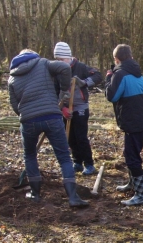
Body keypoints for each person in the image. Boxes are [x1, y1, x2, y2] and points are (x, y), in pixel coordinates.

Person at [7, 49, 88, 207]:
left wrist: (26, 111)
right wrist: (64, 90)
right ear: (33, 56)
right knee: (64, 156)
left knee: (30, 155)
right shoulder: (43, 63)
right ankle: (72, 197)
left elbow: (14, 106)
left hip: (28, 120)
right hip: (51, 116)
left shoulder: (12, 78)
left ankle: (35, 194)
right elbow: (65, 68)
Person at [104, 44, 143, 206]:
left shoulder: (120, 74)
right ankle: (133, 184)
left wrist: (108, 78)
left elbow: (112, 96)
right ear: (130, 56)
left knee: (132, 158)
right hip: (140, 119)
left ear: (116, 60)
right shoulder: (138, 73)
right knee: (130, 153)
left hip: (132, 121)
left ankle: (141, 194)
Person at [53, 41, 103, 175]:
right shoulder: (55, 71)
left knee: (81, 136)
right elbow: (55, 91)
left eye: (62, 59)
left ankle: (89, 164)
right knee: (70, 137)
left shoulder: (80, 67)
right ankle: (77, 162)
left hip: (80, 106)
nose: (60, 62)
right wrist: (62, 108)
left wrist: (84, 83)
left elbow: (98, 76)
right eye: (57, 59)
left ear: (68, 57)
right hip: (65, 108)